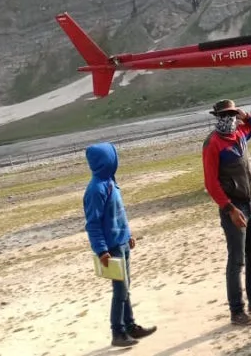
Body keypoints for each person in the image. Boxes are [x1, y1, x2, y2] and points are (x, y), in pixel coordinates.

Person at [201, 99, 251, 326]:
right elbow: (211, 183)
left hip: (250, 204)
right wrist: (230, 209)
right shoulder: (212, 144)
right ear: (217, 117)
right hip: (233, 208)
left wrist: (245, 115)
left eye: (232, 114)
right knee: (237, 260)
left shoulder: (239, 135)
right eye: (225, 115)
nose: (229, 119)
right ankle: (237, 311)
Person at [82, 142, 157, 347]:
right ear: (104, 161)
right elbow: (93, 224)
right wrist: (101, 250)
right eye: (112, 157)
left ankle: (130, 325)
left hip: (122, 243)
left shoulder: (111, 182)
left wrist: (128, 235)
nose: (115, 161)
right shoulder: (95, 189)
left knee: (126, 288)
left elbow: (119, 214)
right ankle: (118, 332)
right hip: (111, 249)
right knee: (120, 290)